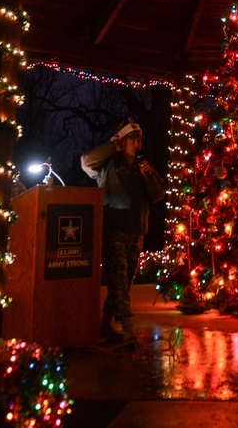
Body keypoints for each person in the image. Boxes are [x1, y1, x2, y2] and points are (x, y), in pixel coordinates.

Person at [81, 118, 166, 345]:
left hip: (137, 230)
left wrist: (149, 176)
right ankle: (127, 327)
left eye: (139, 140)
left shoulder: (143, 166)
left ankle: (106, 322)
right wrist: (112, 146)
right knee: (118, 279)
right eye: (133, 140)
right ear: (122, 141)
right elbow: (86, 162)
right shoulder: (108, 164)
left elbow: (158, 195)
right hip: (113, 230)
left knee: (125, 280)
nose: (138, 144)